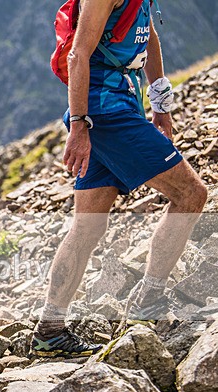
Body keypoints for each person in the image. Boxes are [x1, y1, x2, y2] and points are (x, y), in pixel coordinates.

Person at [32, 0, 207, 358]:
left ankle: (50, 330)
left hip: (118, 107)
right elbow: (78, 55)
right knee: (191, 194)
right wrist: (80, 126)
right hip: (105, 114)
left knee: (87, 227)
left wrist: (160, 105)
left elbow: (149, 38)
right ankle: (148, 302)